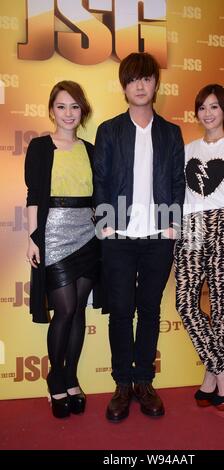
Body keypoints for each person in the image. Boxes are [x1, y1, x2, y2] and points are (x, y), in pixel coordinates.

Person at [93, 52, 185, 422]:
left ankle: (144, 382)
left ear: (155, 84)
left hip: (159, 236)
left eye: (146, 79)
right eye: (133, 80)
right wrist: (105, 224)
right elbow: (100, 180)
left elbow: (178, 182)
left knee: (148, 310)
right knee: (120, 312)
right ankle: (122, 384)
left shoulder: (171, 132)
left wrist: (173, 224)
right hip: (119, 235)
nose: (140, 86)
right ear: (124, 86)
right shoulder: (109, 130)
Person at [24, 80, 101, 419]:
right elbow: (33, 196)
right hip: (54, 233)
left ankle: (71, 379)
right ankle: (55, 379)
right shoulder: (40, 146)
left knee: (79, 311)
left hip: (87, 233)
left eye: (74, 106)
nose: (68, 113)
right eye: (61, 106)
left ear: (82, 110)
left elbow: (100, 196)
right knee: (65, 310)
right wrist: (33, 236)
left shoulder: (92, 149)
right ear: (52, 110)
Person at [174, 83, 224, 411]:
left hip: (223, 225)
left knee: (222, 308)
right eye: (202, 107)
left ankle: (212, 378)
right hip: (190, 227)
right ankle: (223, 368)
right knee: (185, 303)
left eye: (214, 107)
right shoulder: (187, 149)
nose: (207, 113)